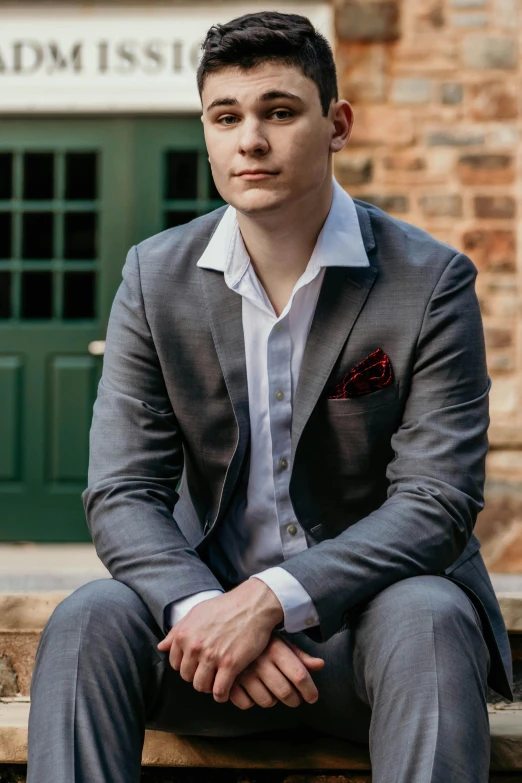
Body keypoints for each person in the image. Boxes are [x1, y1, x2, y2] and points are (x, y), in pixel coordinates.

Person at [27, 10, 513, 783]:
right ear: (209, 130)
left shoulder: (429, 282)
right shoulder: (156, 278)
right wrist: (205, 614)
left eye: (279, 112)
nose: (250, 139)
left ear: (336, 124)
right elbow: (122, 491)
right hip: (204, 650)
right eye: (227, 117)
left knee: (428, 611)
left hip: (374, 643)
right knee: (89, 616)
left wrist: (268, 603)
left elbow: (435, 501)